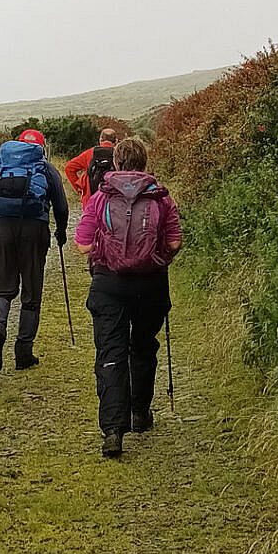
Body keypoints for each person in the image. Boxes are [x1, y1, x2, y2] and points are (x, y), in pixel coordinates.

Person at [74, 135, 182, 457]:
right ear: (145, 163)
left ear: (117, 163)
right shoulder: (161, 198)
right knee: (144, 347)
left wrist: (107, 255)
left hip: (109, 284)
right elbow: (175, 242)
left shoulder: (100, 198)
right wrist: (158, 258)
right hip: (151, 283)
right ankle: (139, 414)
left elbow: (82, 245)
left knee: (111, 350)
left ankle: (112, 430)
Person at [0, 127, 69, 372]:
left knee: (2, 288)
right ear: (41, 147)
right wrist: (61, 231)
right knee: (31, 291)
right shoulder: (44, 167)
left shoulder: (0, 165)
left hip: (1, 226)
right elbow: (61, 204)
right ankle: (23, 352)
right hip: (34, 228)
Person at [64, 126, 118, 205]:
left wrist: (79, 189)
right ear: (116, 141)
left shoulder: (90, 153)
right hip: (113, 201)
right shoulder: (119, 155)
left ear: (100, 140)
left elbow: (69, 168)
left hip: (90, 200)